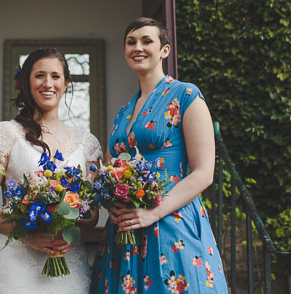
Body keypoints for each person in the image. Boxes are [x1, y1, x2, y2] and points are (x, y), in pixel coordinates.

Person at [90, 17, 228, 294]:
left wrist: (152, 212)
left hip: (170, 223)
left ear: (164, 50)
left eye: (146, 40)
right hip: (125, 232)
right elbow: (110, 169)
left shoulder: (186, 95)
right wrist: (110, 202)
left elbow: (204, 172)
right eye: (131, 42)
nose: (137, 47)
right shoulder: (123, 111)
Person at [0, 48, 103, 294]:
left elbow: (92, 214)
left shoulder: (87, 143)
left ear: (66, 83)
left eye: (56, 76)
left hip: (68, 262)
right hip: (16, 263)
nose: (48, 83)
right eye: (40, 76)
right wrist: (25, 234)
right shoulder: (6, 133)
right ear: (26, 82)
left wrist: (68, 217)